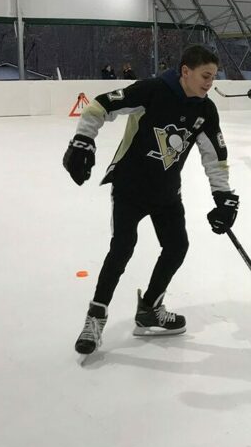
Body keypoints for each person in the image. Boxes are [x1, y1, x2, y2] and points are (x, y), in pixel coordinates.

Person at [63, 45, 240, 356]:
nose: (210, 83)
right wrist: (83, 140)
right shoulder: (152, 90)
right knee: (122, 249)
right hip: (130, 188)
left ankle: (149, 308)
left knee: (177, 247)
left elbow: (215, 156)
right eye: (205, 76)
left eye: (213, 77)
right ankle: (96, 316)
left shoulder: (205, 110)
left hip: (166, 192)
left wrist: (223, 196)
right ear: (186, 71)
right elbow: (100, 106)